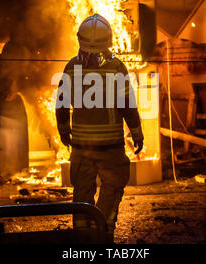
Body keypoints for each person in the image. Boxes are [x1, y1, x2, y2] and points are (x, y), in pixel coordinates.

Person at [56, 14, 144, 242]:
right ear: (109, 40)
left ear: (80, 40)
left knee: (82, 192)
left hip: (82, 148)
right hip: (111, 148)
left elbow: (61, 103)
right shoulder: (116, 67)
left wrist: (64, 131)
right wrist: (136, 133)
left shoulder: (71, 67)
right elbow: (128, 105)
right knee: (112, 187)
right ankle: (103, 234)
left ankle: (84, 237)